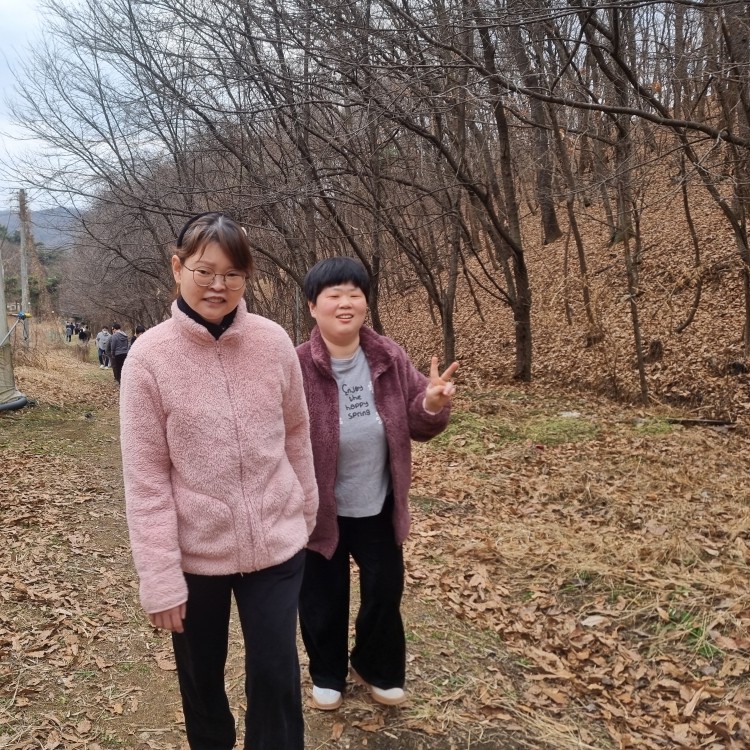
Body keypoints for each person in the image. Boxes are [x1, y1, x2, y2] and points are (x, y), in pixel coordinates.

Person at [119, 212, 318, 750]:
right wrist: (159, 577)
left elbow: (297, 432)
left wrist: (305, 511)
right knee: (201, 678)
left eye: (233, 274)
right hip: (195, 553)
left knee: (276, 674)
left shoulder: (273, 342)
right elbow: (146, 478)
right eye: (204, 271)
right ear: (177, 267)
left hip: (276, 543)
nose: (218, 285)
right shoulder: (148, 359)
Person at [296, 256, 458, 711]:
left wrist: (431, 403)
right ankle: (326, 674)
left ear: (366, 302)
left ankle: (375, 667)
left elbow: (418, 422)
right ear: (313, 306)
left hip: (378, 503)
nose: (345, 303)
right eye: (333, 295)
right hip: (320, 510)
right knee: (322, 597)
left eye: (355, 294)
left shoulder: (389, 356)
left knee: (385, 593)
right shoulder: (296, 365)